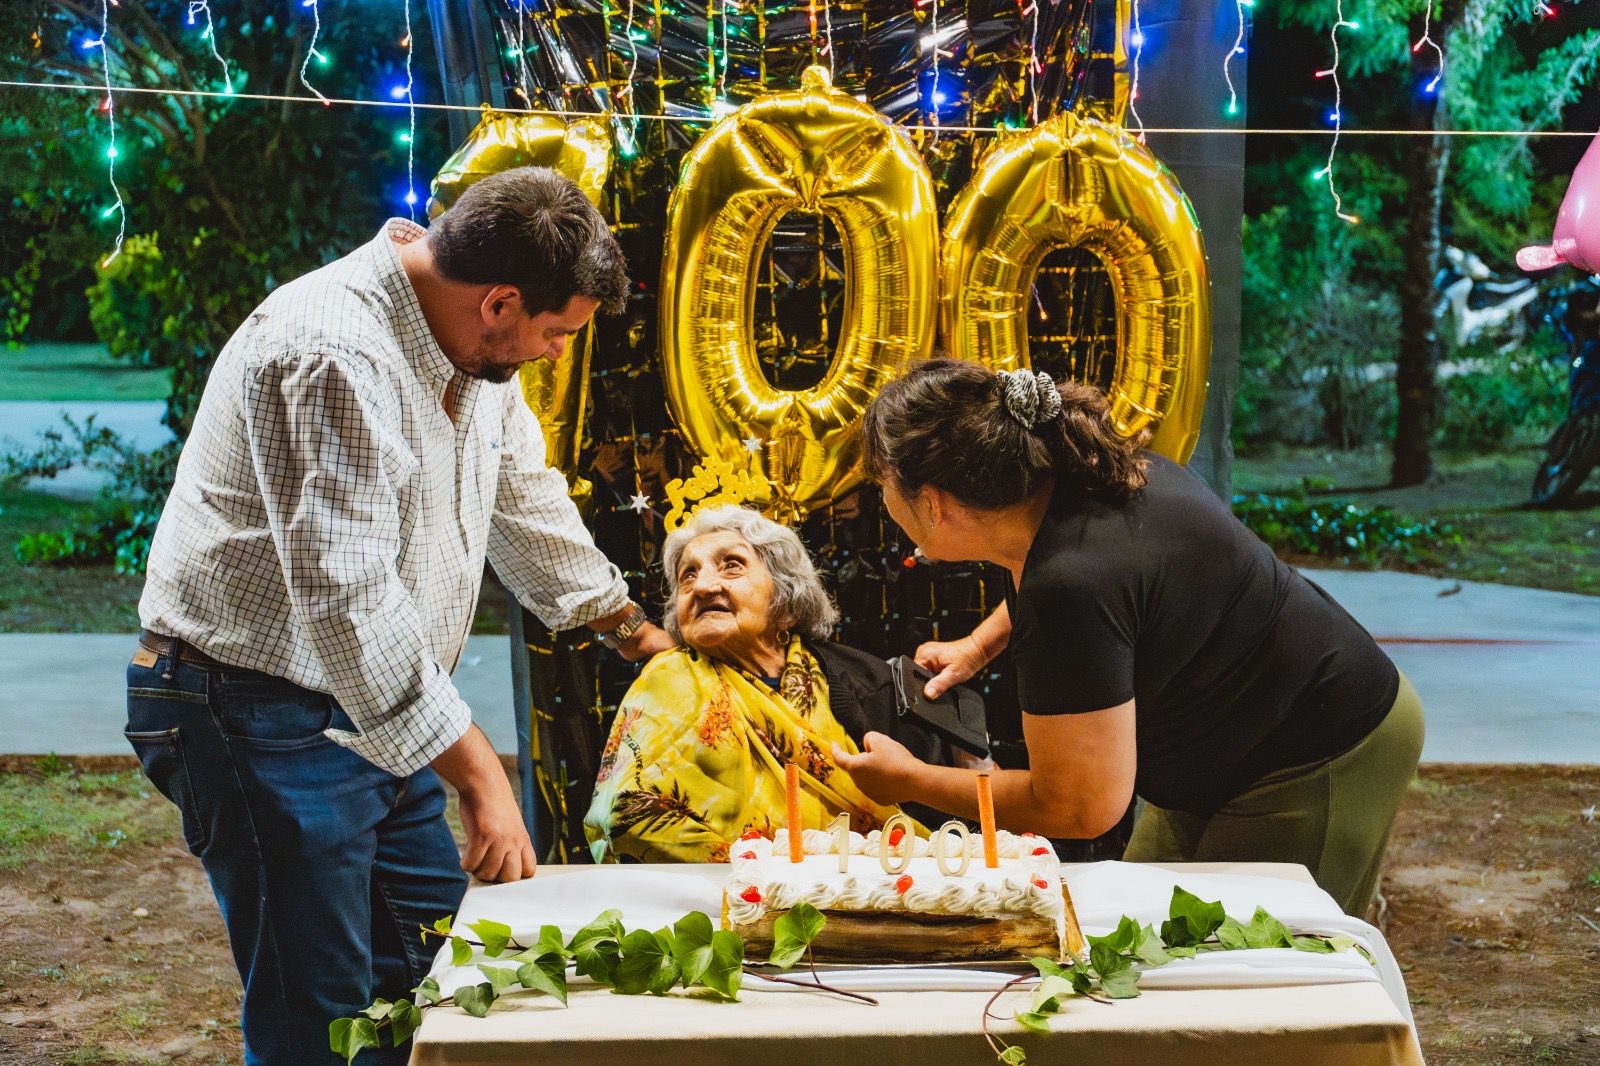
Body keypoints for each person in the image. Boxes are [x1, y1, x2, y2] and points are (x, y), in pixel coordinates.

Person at [126, 166, 673, 1065]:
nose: (556, 353)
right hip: (251, 709)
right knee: (320, 1019)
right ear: (500, 302)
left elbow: (520, 493)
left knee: (432, 982)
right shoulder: (329, 353)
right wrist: (479, 774)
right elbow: (347, 601)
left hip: (372, 709)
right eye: (558, 333)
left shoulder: (472, 345)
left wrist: (631, 630)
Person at [835, 359, 1425, 916]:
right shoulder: (1076, 480)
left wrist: (912, 781)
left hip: (1318, 747)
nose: (881, 501)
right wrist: (980, 644)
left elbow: (1079, 807)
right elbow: (1113, 591)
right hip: (1219, 747)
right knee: (1135, 929)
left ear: (933, 504)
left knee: (1249, 966)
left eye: (883, 485)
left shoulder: (1071, 582)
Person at [585, 505, 974, 862]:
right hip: (732, 901)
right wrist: (765, 877)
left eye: (731, 566)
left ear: (785, 603)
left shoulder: (863, 682)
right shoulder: (669, 677)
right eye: (689, 574)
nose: (702, 587)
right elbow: (627, 816)